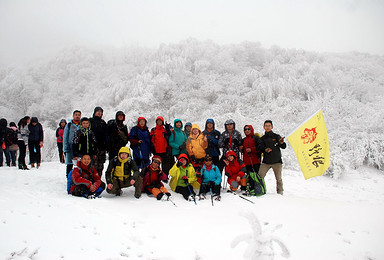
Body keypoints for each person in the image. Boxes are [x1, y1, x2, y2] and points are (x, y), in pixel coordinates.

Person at [258, 120, 286, 195]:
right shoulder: (262, 138)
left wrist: (282, 142)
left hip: (277, 161)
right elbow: (260, 147)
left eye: (269, 126)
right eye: (266, 126)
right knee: (260, 176)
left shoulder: (276, 136)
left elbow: (283, 146)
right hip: (266, 162)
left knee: (279, 179)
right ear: (264, 127)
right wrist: (265, 150)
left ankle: (280, 192)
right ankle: (261, 189)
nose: (267, 127)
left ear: (272, 127)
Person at [89, 106, 107, 176]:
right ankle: (92, 178)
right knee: (93, 164)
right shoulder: (90, 121)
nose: (99, 113)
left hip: (102, 146)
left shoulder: (103, 122)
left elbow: (106, 134)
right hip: (93, 146)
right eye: (98, 112)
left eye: (101, 112)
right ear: (94, 112)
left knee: (100, 164)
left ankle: (98, 178)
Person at [63, 110, 81, 177]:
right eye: (76, 115)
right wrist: (65, 148)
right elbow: (65, 137)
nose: (77, 116)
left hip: (79, 147)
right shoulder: (69, 125)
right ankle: (69, 177)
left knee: (80, 163)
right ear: (73, 116)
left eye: (78, 115)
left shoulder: (82, 124)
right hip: (70, 147)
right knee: (70, 164)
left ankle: (79, 177)